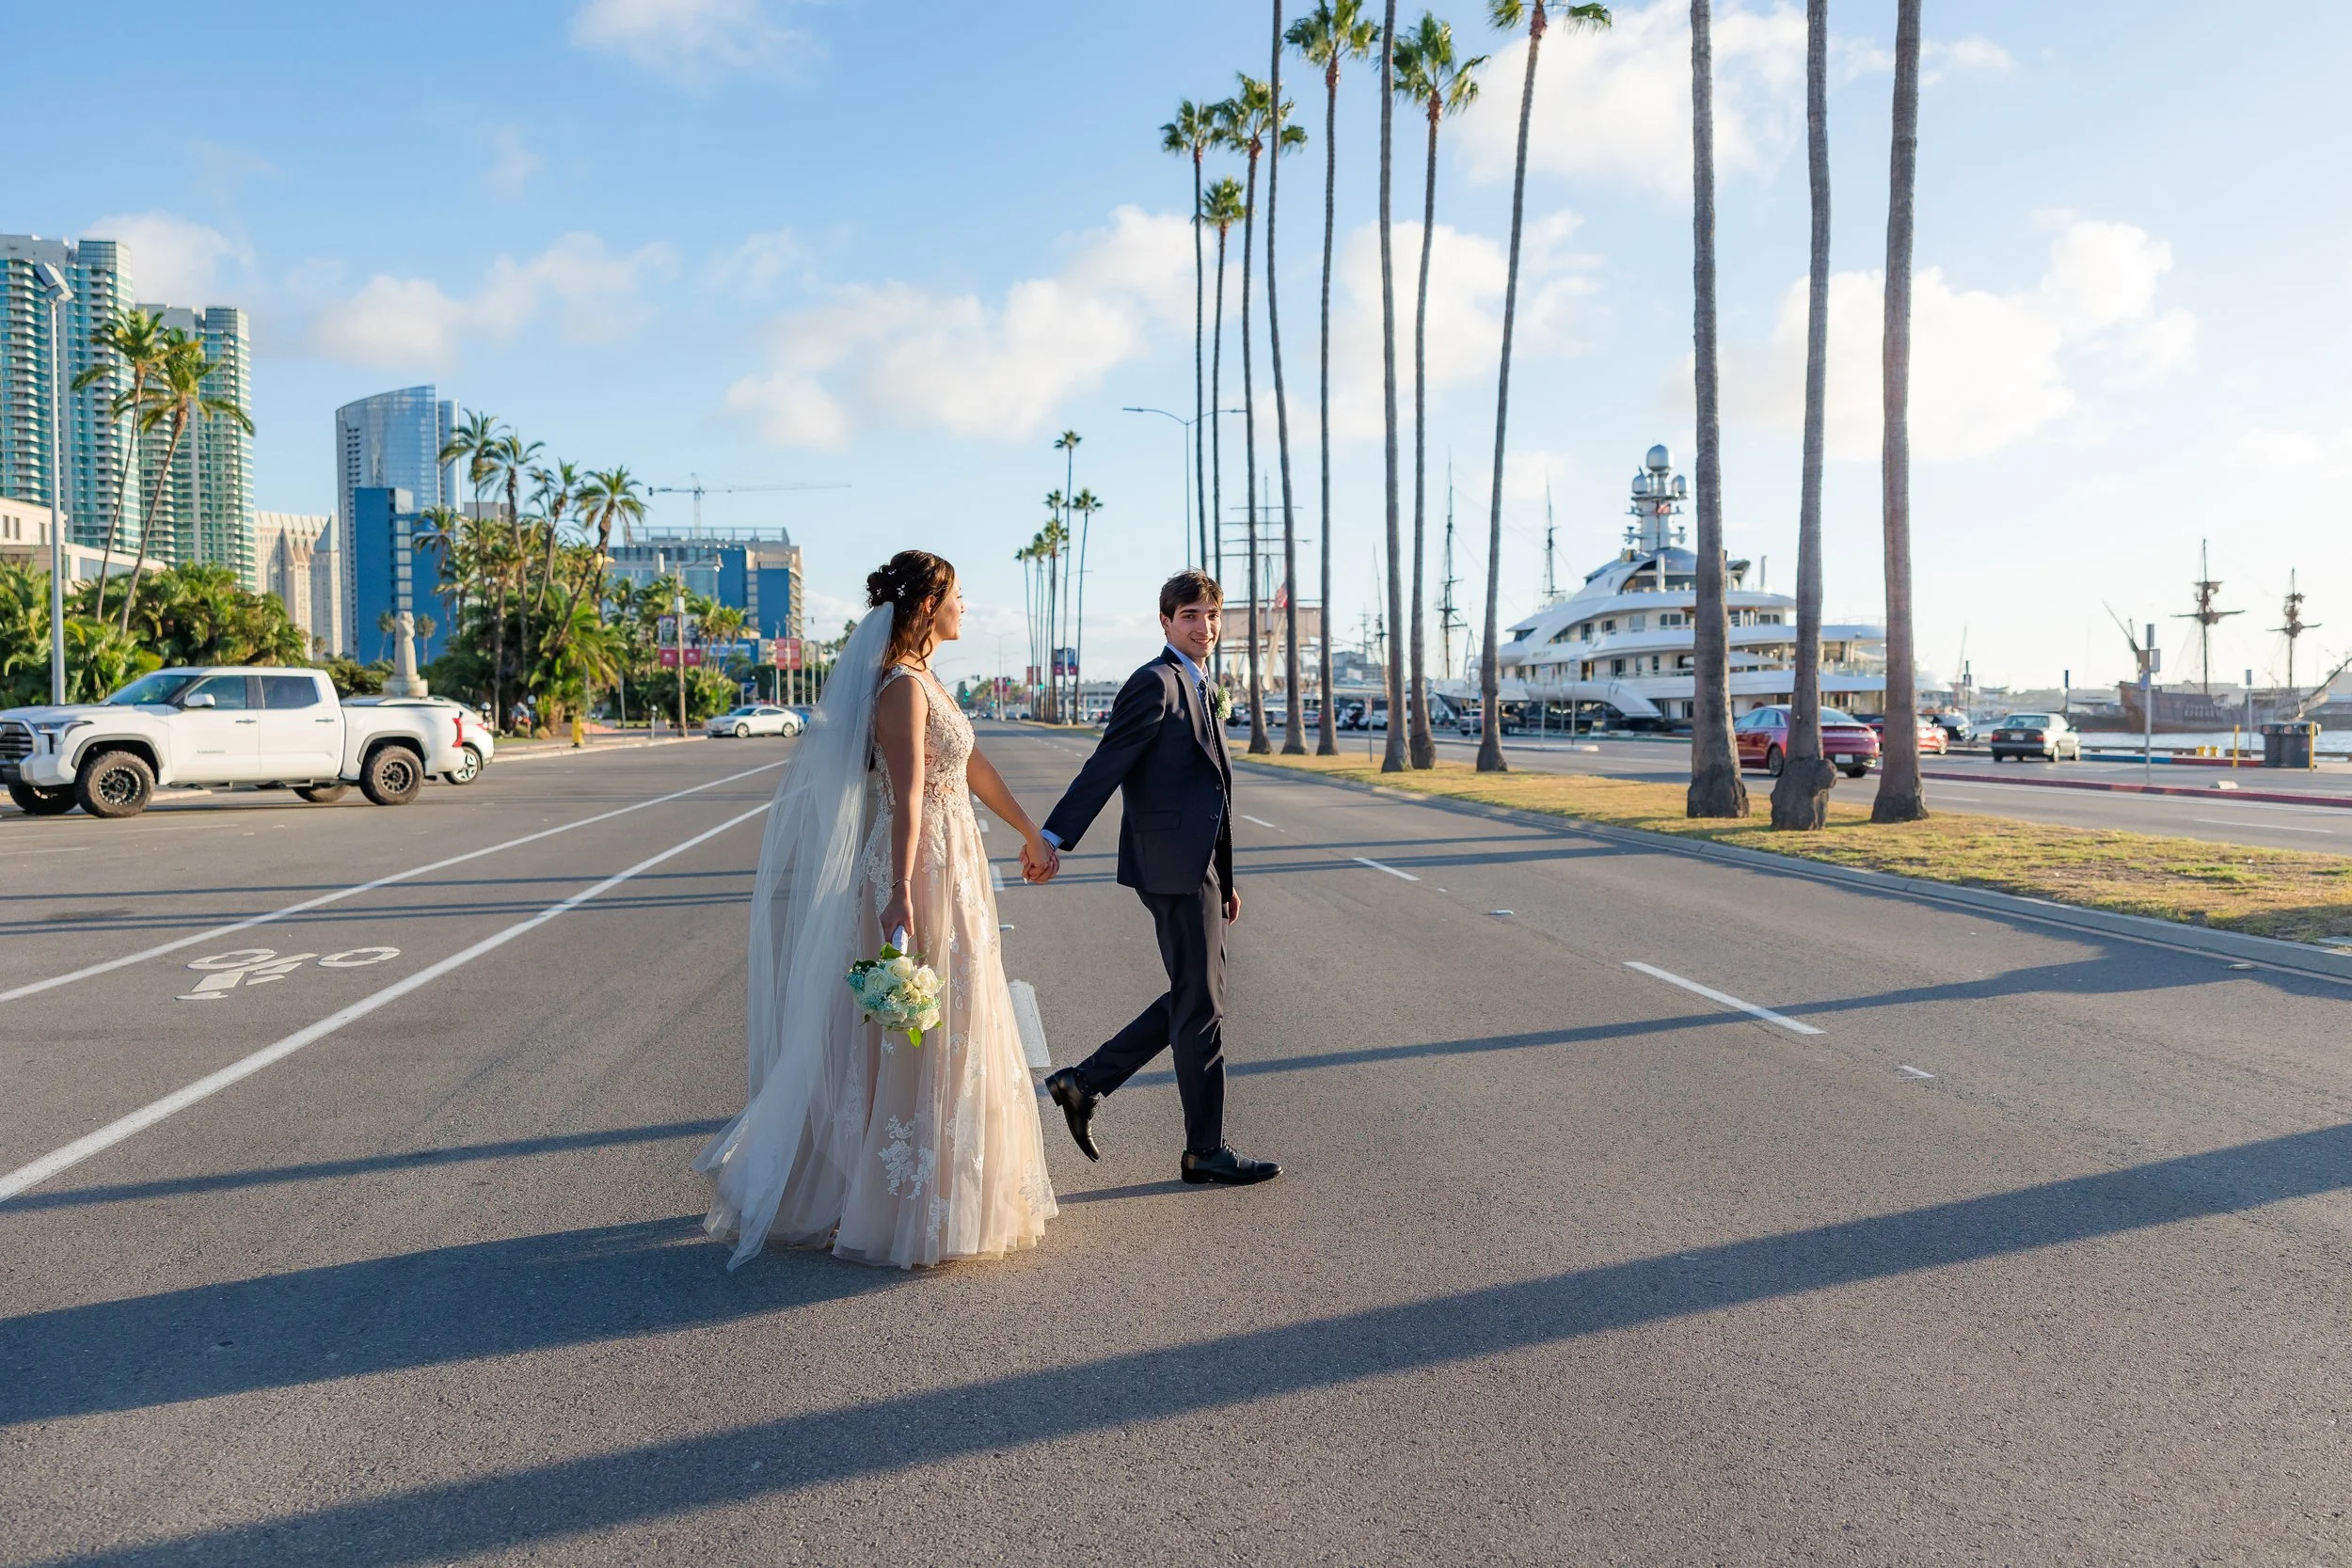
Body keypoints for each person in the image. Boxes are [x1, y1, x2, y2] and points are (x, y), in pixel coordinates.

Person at [696, 550, 1061, 1269]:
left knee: (955, 1018)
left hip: (955, 865)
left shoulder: (929, 681)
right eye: (956, 596)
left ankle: (944, 1185)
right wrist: (899, 892)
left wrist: (1029, 831)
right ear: (927, 606)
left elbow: (972, 768)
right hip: (919, 869)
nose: (965, 607)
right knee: (909, 1030)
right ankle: (889, 1198)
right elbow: (907, 797)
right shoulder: (900, 688)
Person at [1026, 570, 1280, 1187]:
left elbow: (1212, 788)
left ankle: (1084, 1082)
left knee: (1199, 999)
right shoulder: (1155, 682)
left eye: (1212, 616)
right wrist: (1052, 838)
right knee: (1202, 1007)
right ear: (1165, 621)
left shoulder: (1199, 683)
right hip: (1172, 868)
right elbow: (1107, 762)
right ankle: (1203, 1149)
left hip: (1197, 867)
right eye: (1191, 615)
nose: (1205, 626)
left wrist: (1225, 874)